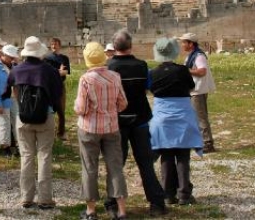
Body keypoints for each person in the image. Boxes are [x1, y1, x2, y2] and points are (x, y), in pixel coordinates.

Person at [104, 30, 166, 218]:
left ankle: (112, 202)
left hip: (118, 121)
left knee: (116, 164)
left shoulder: (109, 67)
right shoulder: (141, 65)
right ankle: (156, 203)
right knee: (145, 163)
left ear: (114, 47)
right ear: (131, 45)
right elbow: (148, 87)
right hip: (140, 119)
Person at [74, 42, 128, 220]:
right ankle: (121, 211)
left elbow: (81, 108)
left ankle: (91, 210)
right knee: (115, 167)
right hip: (111, 126)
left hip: (89, 128)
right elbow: (123, 103)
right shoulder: (115, 76)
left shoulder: (85, 79)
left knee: (89, 167)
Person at [9, 36, 62, 210]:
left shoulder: (16, 70)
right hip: (45, 116)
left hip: (23, 118)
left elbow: (11, 89)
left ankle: (26, 197)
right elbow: (57, 94)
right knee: (44, 156)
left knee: (26, 156)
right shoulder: (49, 70)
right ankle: (45, 199)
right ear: (39, 52)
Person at [149, 37, 203, 206]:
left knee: (165, 155)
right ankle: (184, 194)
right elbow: (191, 87)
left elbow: (151, 89)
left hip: (162, 117)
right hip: (182, 116)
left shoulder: (153, 73)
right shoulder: (182, 71)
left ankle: (168, 193)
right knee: (182, 156)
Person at [178, 33, 216, 153]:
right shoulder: (191, 56)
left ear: (190, 43)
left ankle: (208, 143)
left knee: (201, 117)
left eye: (184, 42)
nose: (182, 44)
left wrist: (186, 71)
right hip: (194, 90)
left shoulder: (199, 56)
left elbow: (202, 71)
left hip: (198, 90)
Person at [0, 44, 20, 157]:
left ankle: (18, 146)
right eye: (10, 57)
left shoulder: (13, 66)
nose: (12, 59)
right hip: (2, 99)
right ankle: (4, 148)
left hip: (13, 98)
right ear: (3, 55)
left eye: (13, 57)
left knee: (17, 122)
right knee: (4, 124)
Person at [44, 37, 70, 140]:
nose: (54, 46)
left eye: (56, 44)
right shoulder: (47, 58)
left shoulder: (65, 58)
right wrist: (58, 71)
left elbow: (66, 72)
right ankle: (48, 132)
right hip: (49, 86)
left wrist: (56, 72)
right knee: (49, 109)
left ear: (59, 45)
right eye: (52, 44)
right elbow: (47, 73)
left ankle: (61, 133)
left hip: (60, 85)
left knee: (61, 110)